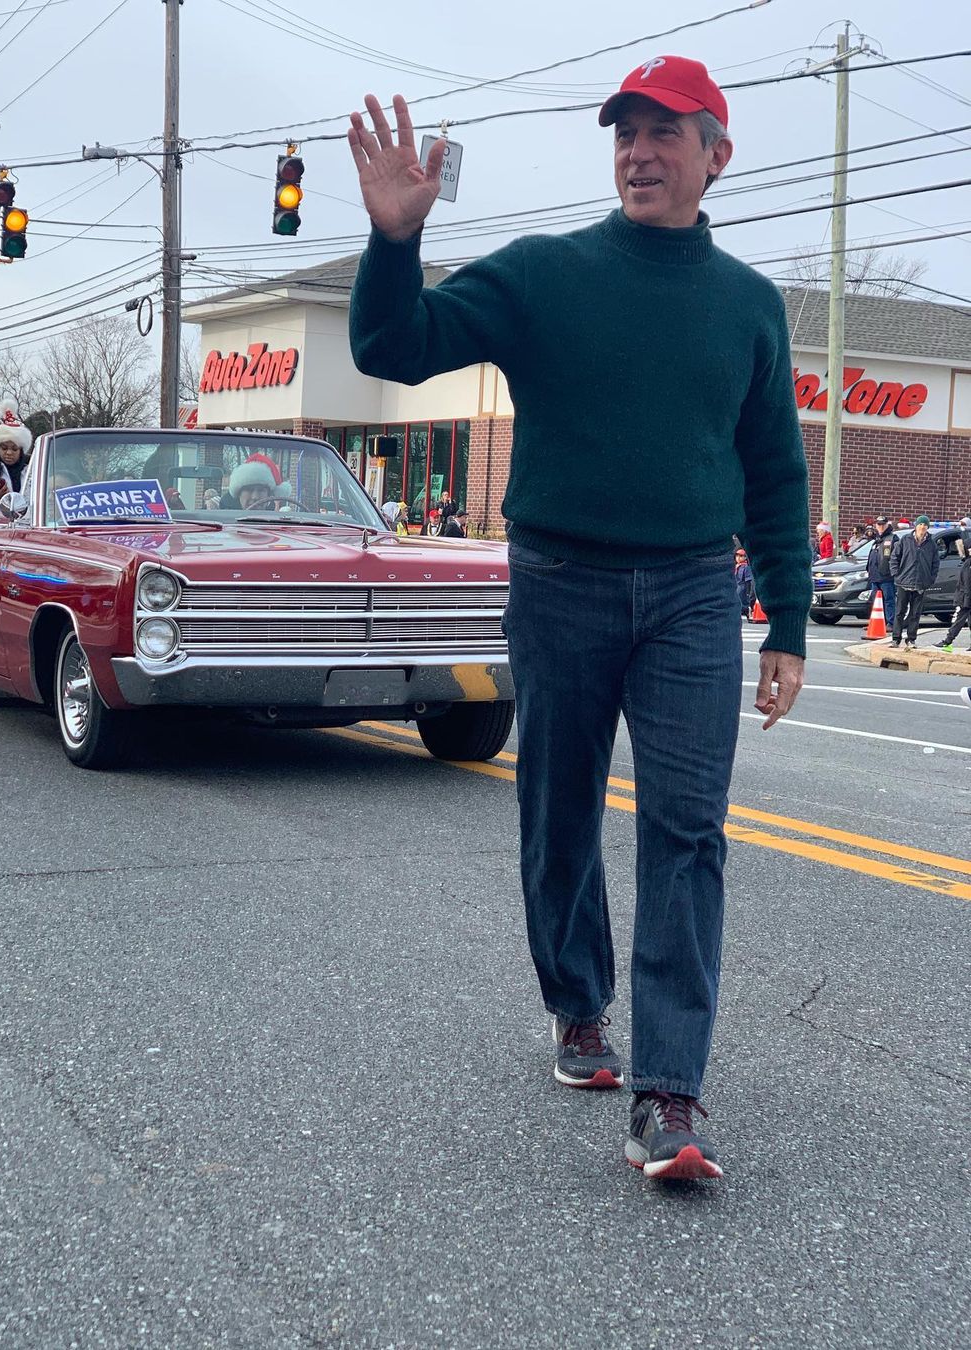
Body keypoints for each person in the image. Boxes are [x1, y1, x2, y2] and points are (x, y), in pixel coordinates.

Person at [347, 57, 810, 1182]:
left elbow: (774, 473)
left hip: (694, 593)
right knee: (559, 810)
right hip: (561, 582)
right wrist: (396, 241)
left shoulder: (750, 304)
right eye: (625, 134)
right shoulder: (544, 275)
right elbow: (391, 348)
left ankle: (670, 1095)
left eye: (664, 133)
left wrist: (790, 622)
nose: (639, 153)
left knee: (687, 831)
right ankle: (577, 1004)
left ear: (716, 156)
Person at [889, 515, 940, 650]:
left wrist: (930, 579)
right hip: (903, 581)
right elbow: (894, 558)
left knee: (915, 613)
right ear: (916, 526)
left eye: (925, 525)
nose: (922, 527)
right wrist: (896, 574)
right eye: (920, 524)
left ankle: (911, 639)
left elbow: (935, 564)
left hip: (921, 583)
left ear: (927, 527)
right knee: (900, 612)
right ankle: (896, 638)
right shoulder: (905, 540)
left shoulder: (931, 544)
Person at [866, 515, 898, 630]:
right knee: (876, 601)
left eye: (883, 524)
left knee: (889, 600)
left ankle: (891, 622)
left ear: (887, 525)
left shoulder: (893, 538)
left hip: (886, 576)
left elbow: (896, 557)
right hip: (875, 576)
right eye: (879, 524)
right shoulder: (876, 540)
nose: (881, 527)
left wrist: (893, 571)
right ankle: (877, 622)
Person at [936, 545, 970, 651]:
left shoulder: (968, 564)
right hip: (966, 596)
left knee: (959, 620)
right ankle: (948, 641)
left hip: (966, 597)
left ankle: (948, 641)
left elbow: (967, 583)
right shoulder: (967, 562)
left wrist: (966, 599)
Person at [734, 547, 755, 619]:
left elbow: (748, 580)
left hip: (743, 586)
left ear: (745, 557)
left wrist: (748, 591)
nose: (738, 558)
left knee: (743, 600)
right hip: (736, 585)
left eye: (741, 556)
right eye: (737, 556)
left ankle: (746, 611)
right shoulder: (736, 566)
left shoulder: (746, 567)